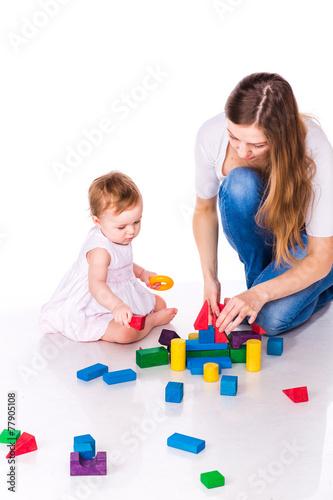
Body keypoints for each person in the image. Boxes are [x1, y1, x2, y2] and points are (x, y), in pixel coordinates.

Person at [193, 72, 333, 336]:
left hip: (315, 245)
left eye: (257, 144)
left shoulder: (315, 148)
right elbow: (204, 210)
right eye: (234, 137)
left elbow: (321, 254)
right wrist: (210, 279)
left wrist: (261, 294)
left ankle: (322, 283)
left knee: (267, 321)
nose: (242, 152)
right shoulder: (210, 134)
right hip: (273, 241)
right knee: (240, 183)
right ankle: (261, 283)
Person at [40, 171, 177, 343]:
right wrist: (116, 306)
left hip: (121, 292)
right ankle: (151, 322)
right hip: (98, 301)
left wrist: (142, 273)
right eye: (122, 227)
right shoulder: (99, 251)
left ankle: (143, 318)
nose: (131, 231)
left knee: (160, 304)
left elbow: (121, 264)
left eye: (136, 221)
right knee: (126, 334)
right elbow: (96, 285)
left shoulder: (118, 235)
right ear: (97, 222)